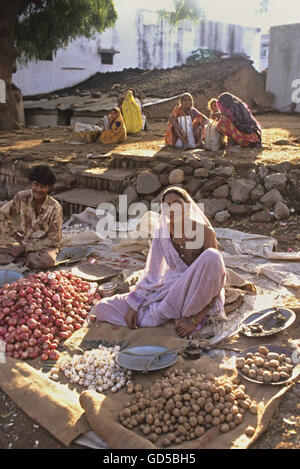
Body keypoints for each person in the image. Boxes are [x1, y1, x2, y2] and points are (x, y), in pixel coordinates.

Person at [91, 187, 227, 338]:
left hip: (196, 292)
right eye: (167, 205)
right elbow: (152, 273)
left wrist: (195, 320)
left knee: (212, 255)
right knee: (102, 307)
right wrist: (134, 306)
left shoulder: (204, 232)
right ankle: (168, 313)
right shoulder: (162, 232)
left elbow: (216, 279)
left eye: (177, 203)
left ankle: (181, 314)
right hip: (170, 287)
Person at [0, 165, 62, 268]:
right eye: (36, 184)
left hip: (44, 247)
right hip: (25, 241)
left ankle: (20, 257)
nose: (38, 189)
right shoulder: (22, 197)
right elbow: (2, 215)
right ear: (31, 183)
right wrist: (15, 236)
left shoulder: (55, 208)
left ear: (50, 187)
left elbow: (54, 240)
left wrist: (25, 247)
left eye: (43, 186)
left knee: (48, 260)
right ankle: (24, 258)